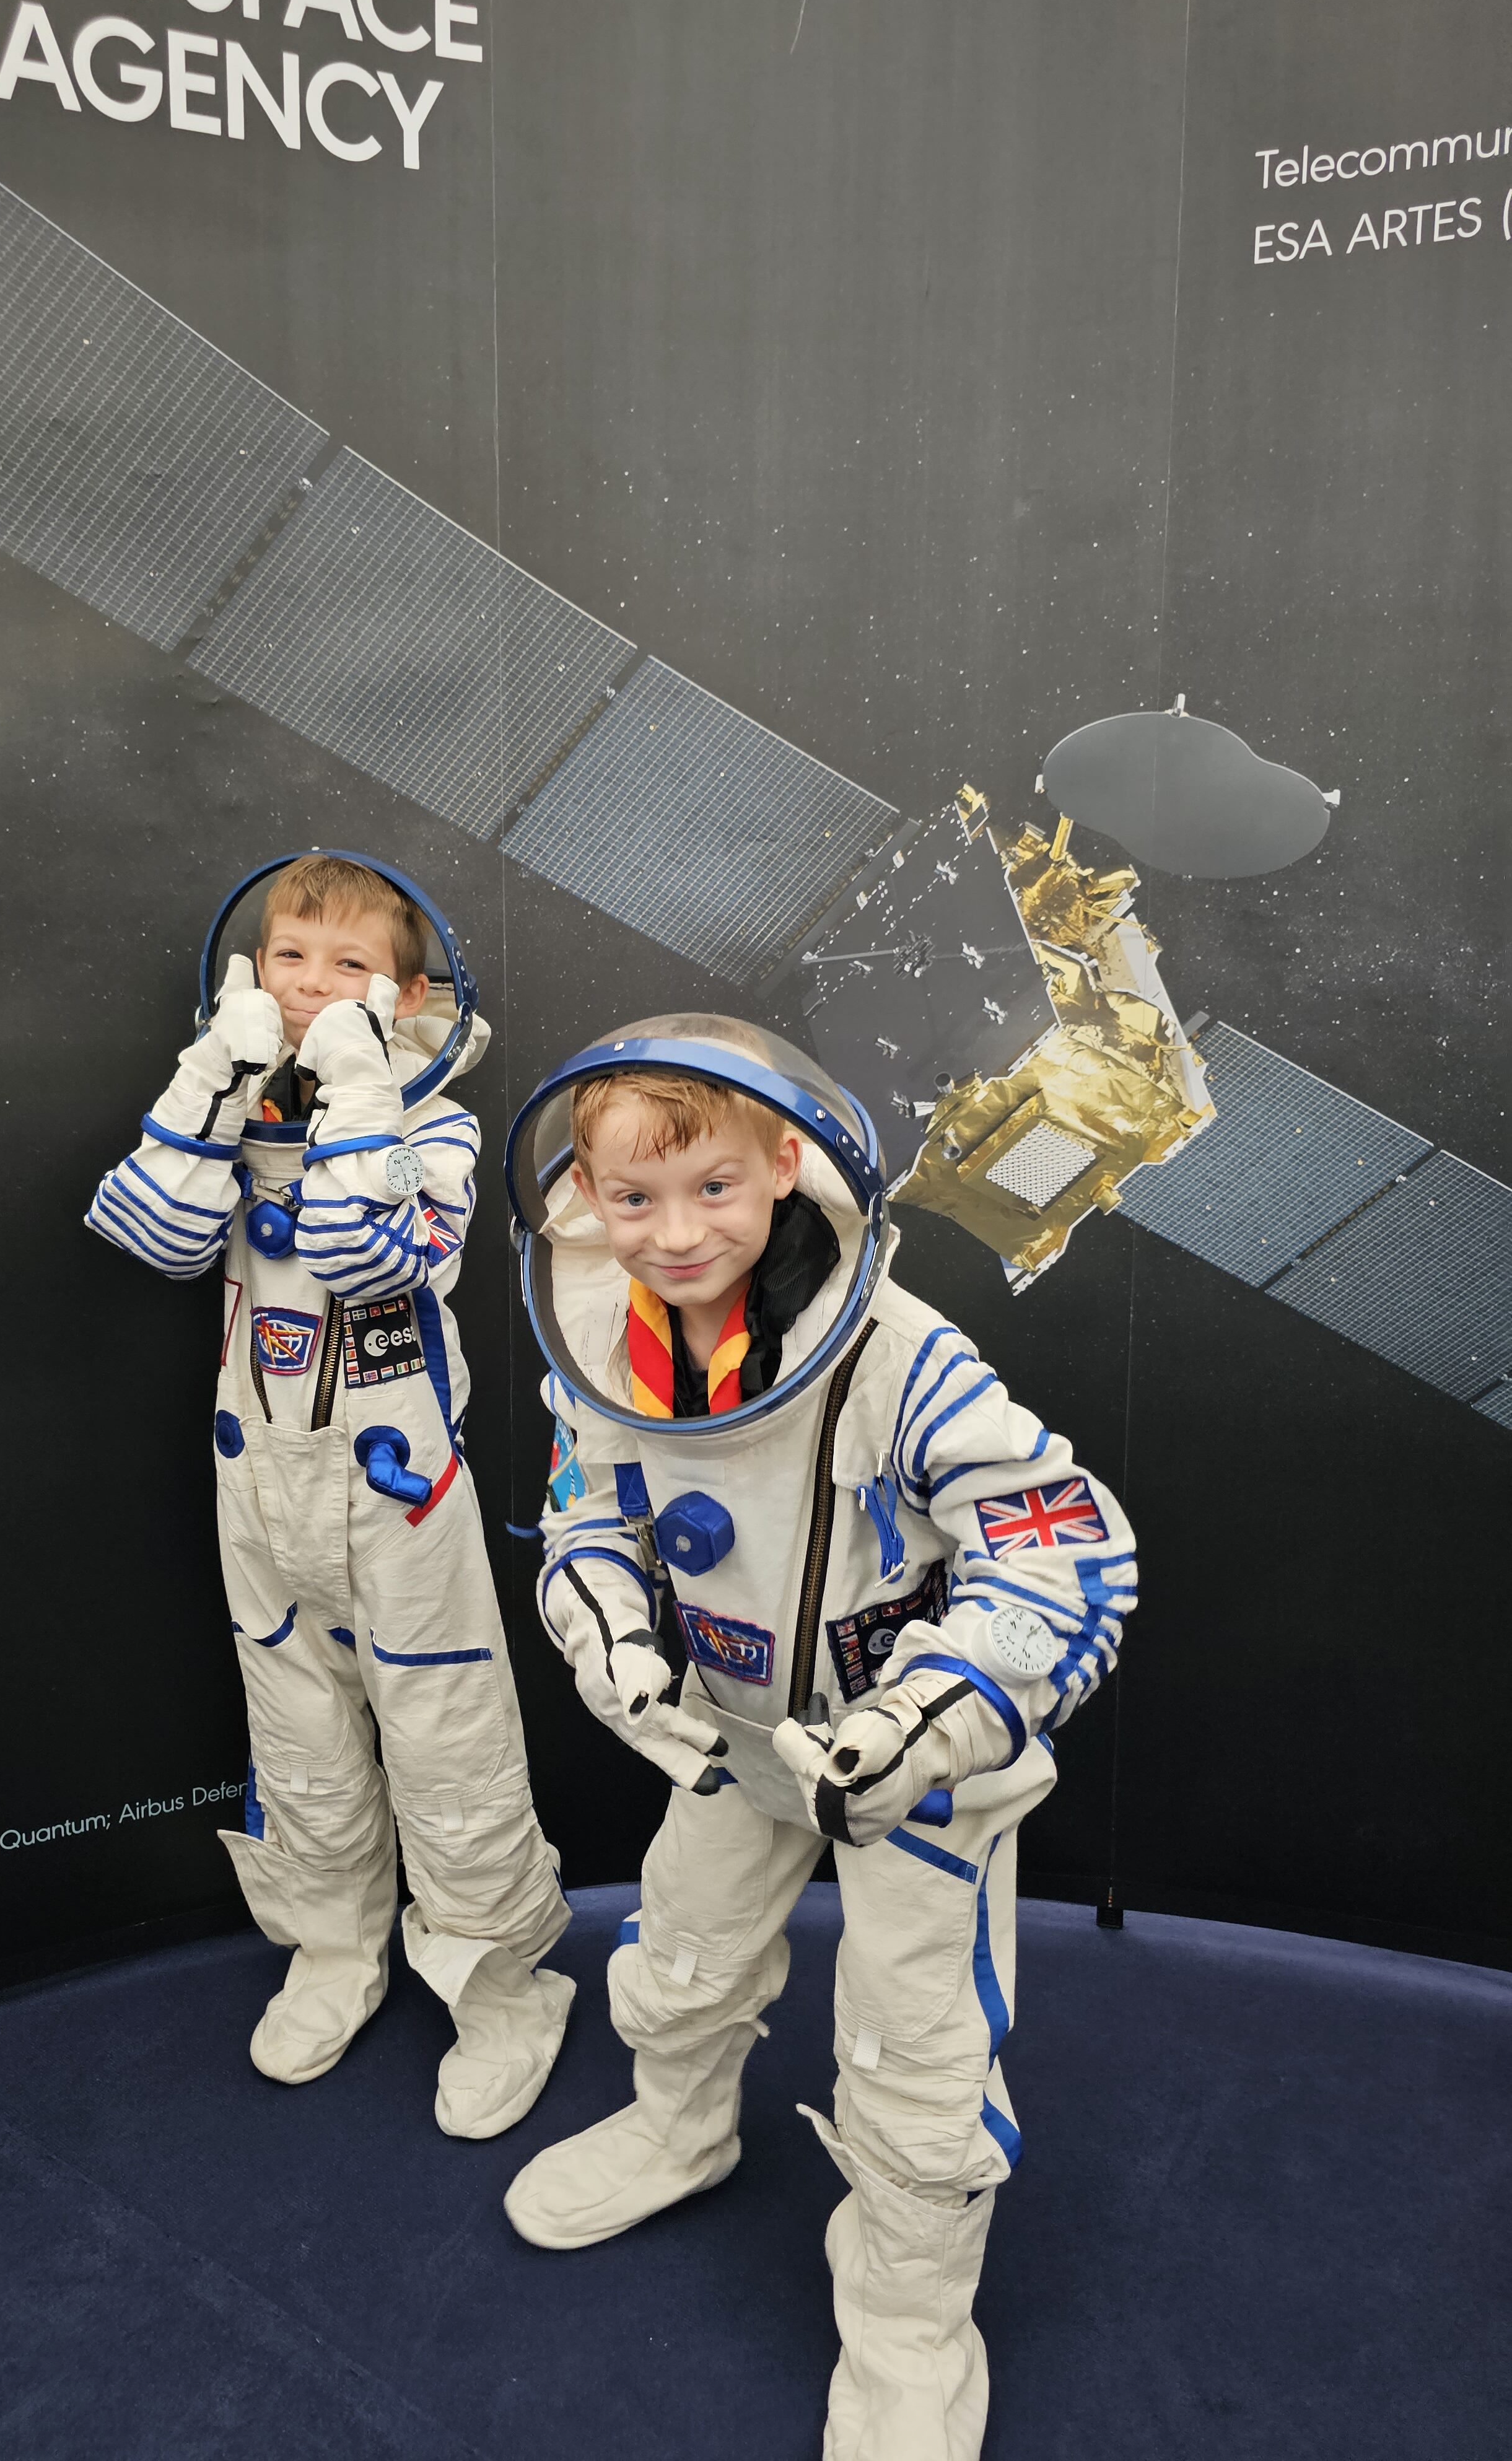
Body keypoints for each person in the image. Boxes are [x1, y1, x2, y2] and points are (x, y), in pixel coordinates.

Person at [499, 1014, 1136, 2460]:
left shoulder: (896, 1354)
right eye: (635, 1197)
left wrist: (931, 1710)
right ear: (585, 1195)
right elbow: (587, 1513)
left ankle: (912, 2326)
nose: (673, 1232)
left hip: (901, 1760)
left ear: (786, 1163)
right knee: (679, 1956)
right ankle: (682, 2125)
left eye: (714, 1186)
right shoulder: (596, 1332)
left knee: (919, 2058)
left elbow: (1068, 1553)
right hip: (728, 1736)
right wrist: (602, 1629)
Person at [87, 853, 570, 2138]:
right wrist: (212, 1076)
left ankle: (503, 1987)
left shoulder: (438, 1128)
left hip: (396, 1494)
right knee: (296, 1734)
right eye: (291, 957)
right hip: (261, 1485)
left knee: (445, 1745)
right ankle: (335, 1949)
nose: (311, 986)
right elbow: (150, 1229)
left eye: (346, 966)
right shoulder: (240, 1108)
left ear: (406, 990)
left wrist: (360, 1081)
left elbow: (371, 1260)